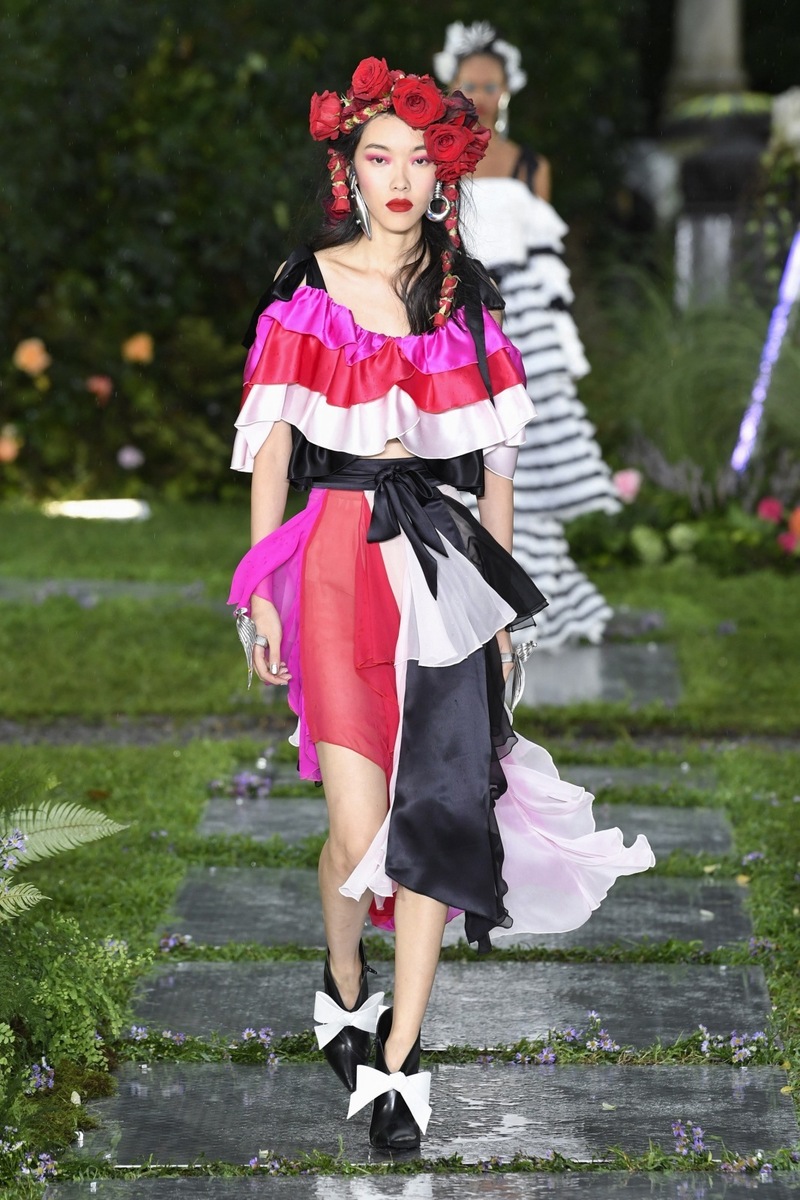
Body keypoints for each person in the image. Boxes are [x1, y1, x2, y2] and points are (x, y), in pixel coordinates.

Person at [227, 58, 654, 1153]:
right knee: (354, 829)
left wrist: (501, 612)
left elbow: (496, 470)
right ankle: (342, 980)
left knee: (438, 805)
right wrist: (258, 592)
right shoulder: (307, 290)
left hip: (439, 568)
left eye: (420, 158)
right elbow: (271, 448)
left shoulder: (467, 302)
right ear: (349, 171)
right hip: (332, 562)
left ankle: (401, 1057)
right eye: (380, 157)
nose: (400, 177)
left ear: (445, 171)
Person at [434, 22, 622, 650]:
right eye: (469, 84)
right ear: (450, 86)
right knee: (457, 450)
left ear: (507, 90)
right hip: (454, 318)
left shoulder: (530, 165)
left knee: (525, 458)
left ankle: (534, 600)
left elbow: (546, 261)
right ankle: (461, 594)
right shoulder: (431, 161)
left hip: (524, 325)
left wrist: (558, 345)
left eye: (490, 86)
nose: (480, 96)